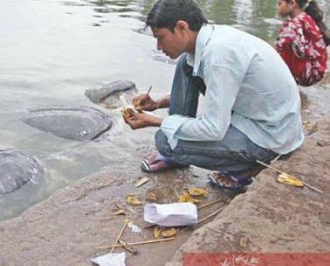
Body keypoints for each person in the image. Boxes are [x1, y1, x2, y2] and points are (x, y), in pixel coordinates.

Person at [123, 0, 304, 191]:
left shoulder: (220, 56)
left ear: (182, 27)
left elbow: (214, 128)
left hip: (269, 137)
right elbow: (220, 88)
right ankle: (178, 147)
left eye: (161, 38)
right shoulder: (212, 37)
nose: (159, 46)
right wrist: (157, 103)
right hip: (259, 115)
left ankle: (248, 166)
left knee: (164, 141)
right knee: (186, 62)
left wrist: (155, 121)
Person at [276, 0, 329, 86]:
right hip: (317, 71)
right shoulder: (307, 18)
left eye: (280, 4)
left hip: (308, 74)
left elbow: (278, 47)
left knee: (278, 51)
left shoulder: (294, 23)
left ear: (292, 4)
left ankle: (288, 79)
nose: (277, 8)